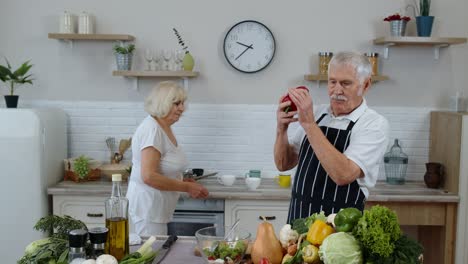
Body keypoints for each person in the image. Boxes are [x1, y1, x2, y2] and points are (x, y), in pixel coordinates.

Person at [274, 51, 389, 224]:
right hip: (298, 223)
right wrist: (281, 129)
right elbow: (283, 164)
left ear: (365, 85)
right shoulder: (318, 114)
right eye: (332, 82)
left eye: (346, 83)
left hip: (340, 232)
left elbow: (343, 175)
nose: (337, 90)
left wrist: (310, 125)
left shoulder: (373, 124)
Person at [126, 81, 209, 236]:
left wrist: (182, 180)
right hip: (147, 211)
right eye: (176, 103)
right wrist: (187, 188)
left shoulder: (163, 127)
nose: (182, 108)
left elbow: (163, 168)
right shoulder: (152, 130)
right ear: (163, 103)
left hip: (156, 210)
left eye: (182, 103)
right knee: (149, 257)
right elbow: (149, 176)